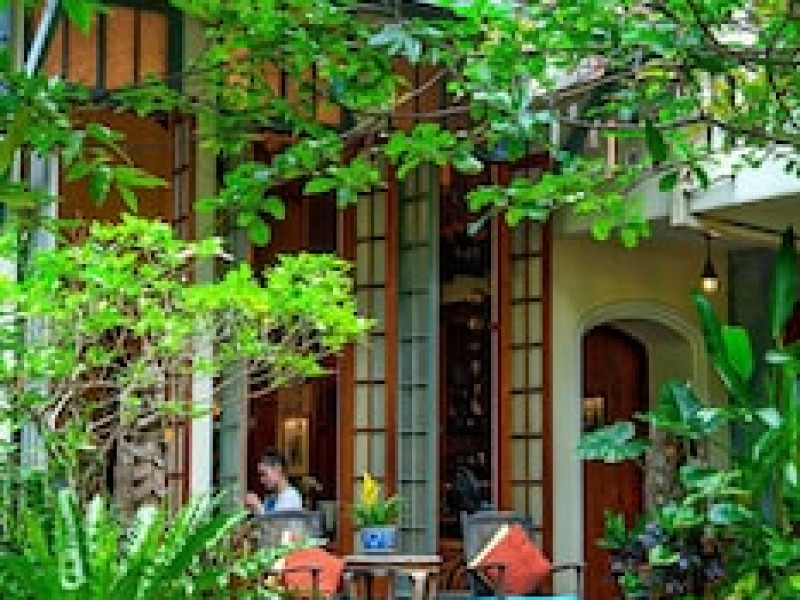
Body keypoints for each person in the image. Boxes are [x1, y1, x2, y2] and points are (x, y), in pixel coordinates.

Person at [244, 448, 303, 514]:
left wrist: (258, 506)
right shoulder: (271, 497)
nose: (261, 480)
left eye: (263, 474)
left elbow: (278, 520)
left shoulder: (291, 497)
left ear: (278, 469)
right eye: (260, 475)